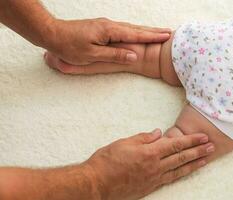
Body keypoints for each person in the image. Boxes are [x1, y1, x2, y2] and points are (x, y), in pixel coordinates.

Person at [0, 0, 214, 200]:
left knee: (182, 142)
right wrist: (96, 182)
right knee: (184, 143)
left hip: (224, 47)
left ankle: (117, 56)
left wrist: (52, 30)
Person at [45, 0, 233, 164]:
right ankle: (139, 165)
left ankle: (76, 56)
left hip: (228, 39)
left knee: (147, 55)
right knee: (178, 151)